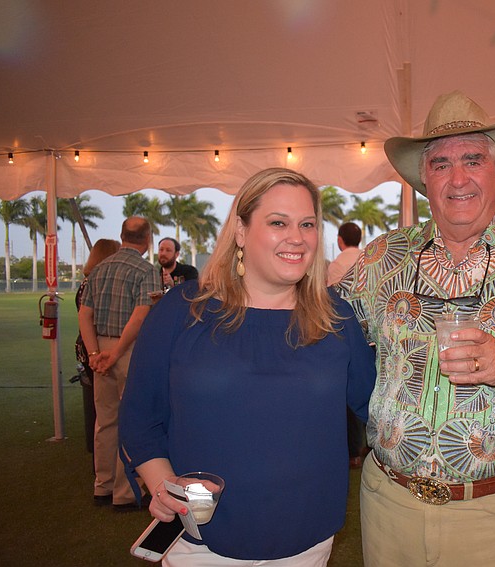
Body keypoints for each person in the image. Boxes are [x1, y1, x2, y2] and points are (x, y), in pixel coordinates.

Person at [335, 91, 495, 567]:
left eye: (473, 160)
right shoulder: (380, 260)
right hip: (388, 507)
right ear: (424, 179)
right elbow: (320, 337)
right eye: (441, 164)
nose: (458, 178)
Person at [119, 168, 376, 565]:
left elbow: (380, 406)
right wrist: (163, 484)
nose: (297, 237)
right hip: (201, 540)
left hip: (306, 539)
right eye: (278, 223)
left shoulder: (335, 319)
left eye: (307, 224)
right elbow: (139, 419)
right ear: (240, 230)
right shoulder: (182, 310)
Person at [78, 218, 162, 510]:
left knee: (105, 421)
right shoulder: (146, 270)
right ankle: (124, 493)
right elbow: (140, 316)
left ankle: (102, 485)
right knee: (130, 420)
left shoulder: (99, 268)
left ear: (122, 235)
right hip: (129, 350)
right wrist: (116, 353)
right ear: (147, 239)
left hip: (100, 347)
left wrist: (94, 353)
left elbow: (84, 314)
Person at [327, 221, 368, 467]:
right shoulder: (369, 259)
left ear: (340, 240)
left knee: (348, 401)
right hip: (371, 335)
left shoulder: (336, 265)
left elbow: (332, 303)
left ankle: (353, 450)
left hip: (346, 332)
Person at [75, 238, 121, 455]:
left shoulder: (89, 282)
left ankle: (102, 465)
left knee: (103, 410)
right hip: (97, 347)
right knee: (107, 410)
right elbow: (88, 317)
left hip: (91, 348)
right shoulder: (95, 283)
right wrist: (96, 353)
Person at [326, 221, 363, 286]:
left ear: (339, 240)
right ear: (360, 239)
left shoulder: (337, 265)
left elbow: (334, 291)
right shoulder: (371, 260)